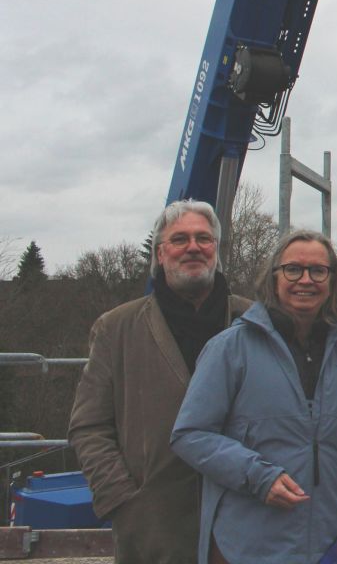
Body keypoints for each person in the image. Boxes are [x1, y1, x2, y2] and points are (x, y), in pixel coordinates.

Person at [170, 230, 337, 564]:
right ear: (273, 279)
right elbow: (190, 434)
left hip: (330, 546)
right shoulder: (231, 348)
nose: (306, 280)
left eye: (318, 271)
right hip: (246, 548)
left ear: (332, 281)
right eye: (293, 269)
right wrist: (259, 477)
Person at [69, 200, 251, 563]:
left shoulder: (252, 322)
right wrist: (122, 499)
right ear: (160, 253)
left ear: (216, 249)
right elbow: (89, 426)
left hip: (243, 521)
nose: (193, 247)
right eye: (179, 239)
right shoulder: (117, 329)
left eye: (203, 238)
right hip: (152, 529)